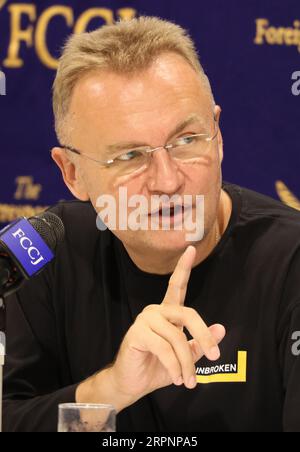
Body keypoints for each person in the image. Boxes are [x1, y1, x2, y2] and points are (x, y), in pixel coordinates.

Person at [3, 16, 300, 432]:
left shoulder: (291, 263)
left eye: (186, 141)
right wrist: (111, 390)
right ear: (71, 172)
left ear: (217, 135)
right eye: (129, 156)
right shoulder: (43, 252)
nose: (167, 181)